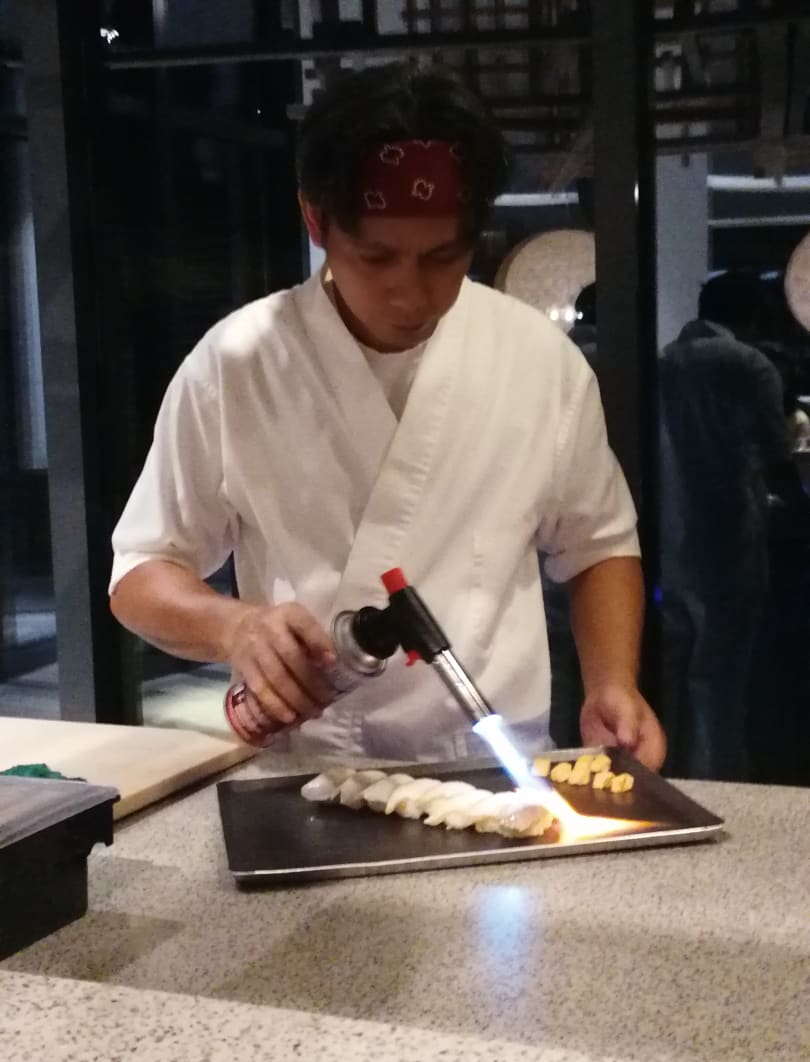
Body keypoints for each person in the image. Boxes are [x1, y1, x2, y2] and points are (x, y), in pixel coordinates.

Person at [109, 62, 665, 769]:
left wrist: (613, 683)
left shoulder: (537, 360)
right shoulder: (239, 362)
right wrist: (233, 627)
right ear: (316, 220)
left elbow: (598, 542)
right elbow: (142, 572)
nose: (410, 293)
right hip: (308, 774)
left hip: (496, 770)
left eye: (442, 257)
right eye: (376, 257)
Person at [658, 272, 792, 779]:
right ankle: (721, 780)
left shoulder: (665, 360)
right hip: (728, 532)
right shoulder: (748, 363)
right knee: (720, 678)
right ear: (752, 314)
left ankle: (681, 776)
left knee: (677, 674)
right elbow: (775, 458)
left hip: (669, 533)